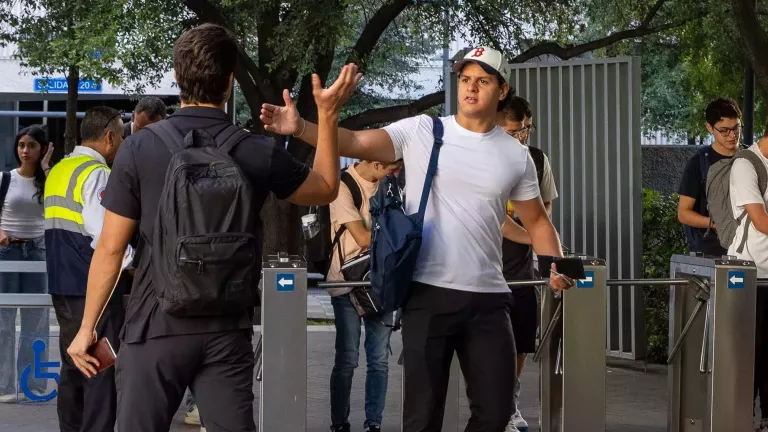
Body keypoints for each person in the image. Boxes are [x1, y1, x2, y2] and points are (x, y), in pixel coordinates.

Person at [65, 23, 360, 432]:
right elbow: (327, 188)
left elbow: (111, 250)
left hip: (154, 326)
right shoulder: (255, 149)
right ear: (229, 83)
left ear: (176, 76)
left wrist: (87, 328)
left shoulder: (139, 147)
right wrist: (325, 115)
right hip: (226, 327)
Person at [262, 46, 572, 432]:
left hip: (490, 300)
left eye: (483, 80)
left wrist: (554, 266)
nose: (471, 88)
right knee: (422, 419)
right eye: (464, 80)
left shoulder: (516, 155)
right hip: (428, 295)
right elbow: (354, 142)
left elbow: (539, 221)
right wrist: (305, 127)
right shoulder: (423, 131)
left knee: (495, 413)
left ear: (502, 89)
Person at [44, 106, 132, 431]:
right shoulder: (97, 174)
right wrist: (135, 265)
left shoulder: (60, 169)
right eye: (122, 136)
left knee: (73, 367)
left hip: (63, 285)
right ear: (109, 137)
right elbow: (107, 239)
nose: (122, 143)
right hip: (92, 289)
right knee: (100, 371)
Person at [497, 96, 558, 432]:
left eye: (527, 130)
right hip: (488, 268)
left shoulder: (536, 160)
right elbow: (495, 219)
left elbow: (544, 210)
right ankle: (499, 404)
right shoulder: (482, 159)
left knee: (521, 341)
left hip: (522, 271)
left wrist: (543, 242)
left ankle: (510, 399)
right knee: (493, 345)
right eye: (514, 132)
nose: (522, 138)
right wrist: (533, 234)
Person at [327, 160, 403, 432]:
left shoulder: (391, 185)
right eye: (392, 168)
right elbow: (360, 237)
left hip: (381, 280)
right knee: (347, 358)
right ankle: (339, 423)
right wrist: (399, 238)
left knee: (379, 359)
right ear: (376, 162)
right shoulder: (343, 186)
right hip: (346, 282)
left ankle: (374, 422)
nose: (396, 174)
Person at [0, 125, 52, 403]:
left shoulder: (50, 180)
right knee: (3, 321)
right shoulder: (5, 179)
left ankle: (33, 383)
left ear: (43, 148)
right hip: (7, 252)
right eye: (21, 145)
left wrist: (47, 169)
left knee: (36, 319)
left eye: (32, 145)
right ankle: (4, 386)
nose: (25, 151)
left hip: (38, 251)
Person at [724, 130, 768, 432]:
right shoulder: (746, 164)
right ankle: (740, 418)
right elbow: (760, 219)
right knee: (751, 353)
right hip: (752, 273)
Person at [678, 98, 742, 256]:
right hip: (711, 252)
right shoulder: (698, 163)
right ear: (709, 127)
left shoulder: (750, 158)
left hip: (747, 249)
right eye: (724, 130)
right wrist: (715, 223)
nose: (732, 135)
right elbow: (683, 213)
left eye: (736, 128)